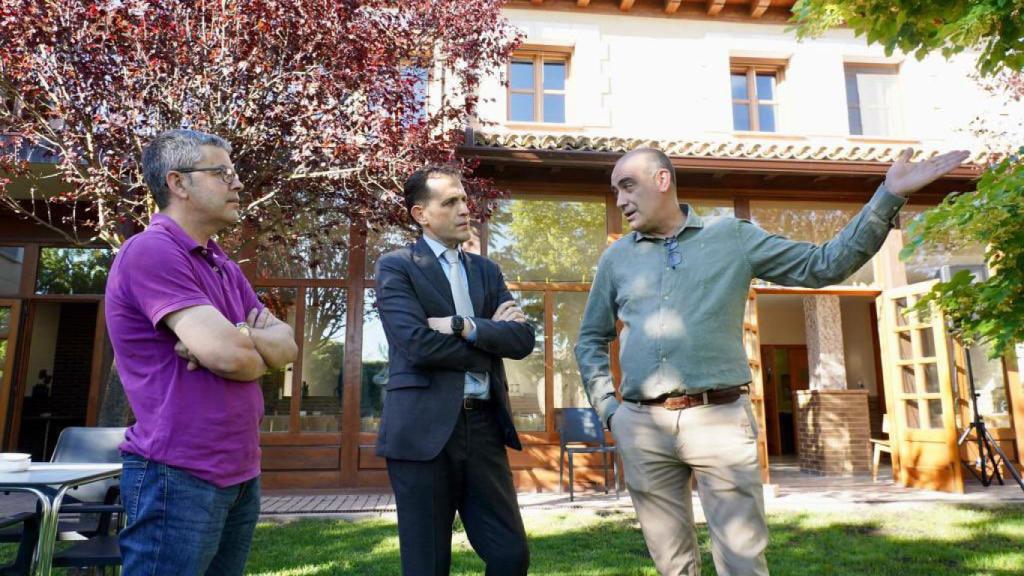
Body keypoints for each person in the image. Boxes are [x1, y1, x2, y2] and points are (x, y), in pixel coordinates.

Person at [575, 146, 968, 576]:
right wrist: (610, 411)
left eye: (627, 186)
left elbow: (824, 265)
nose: (620, 200)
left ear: (662, 181)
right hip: (642, 425)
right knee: (672, 565)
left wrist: (888, 195)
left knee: (743, 562)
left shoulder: (732, 237)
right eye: (615, 191)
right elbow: (591, 339)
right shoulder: (617, 258)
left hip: (719, 419)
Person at [105, 129, 298, 575]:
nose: (237, 184)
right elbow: (232, 358)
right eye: (221, 173)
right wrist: (244, 343)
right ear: (178, 183)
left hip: (239, 469)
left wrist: (232, 338)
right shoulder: (152, 251)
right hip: (178, 472)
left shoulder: (221, 263)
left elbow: (285, 346)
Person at [375, 165, 534, 576]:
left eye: (464, 198)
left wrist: (466, 326)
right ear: (421, 214)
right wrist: (489, 341)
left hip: (483, 428)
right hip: (421, 434)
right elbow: (415, 343)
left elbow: (522, 340)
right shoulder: (397, 266)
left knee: (510, 556)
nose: (466, 208)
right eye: (451, 202)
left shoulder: (487, 271)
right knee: (428, 565)